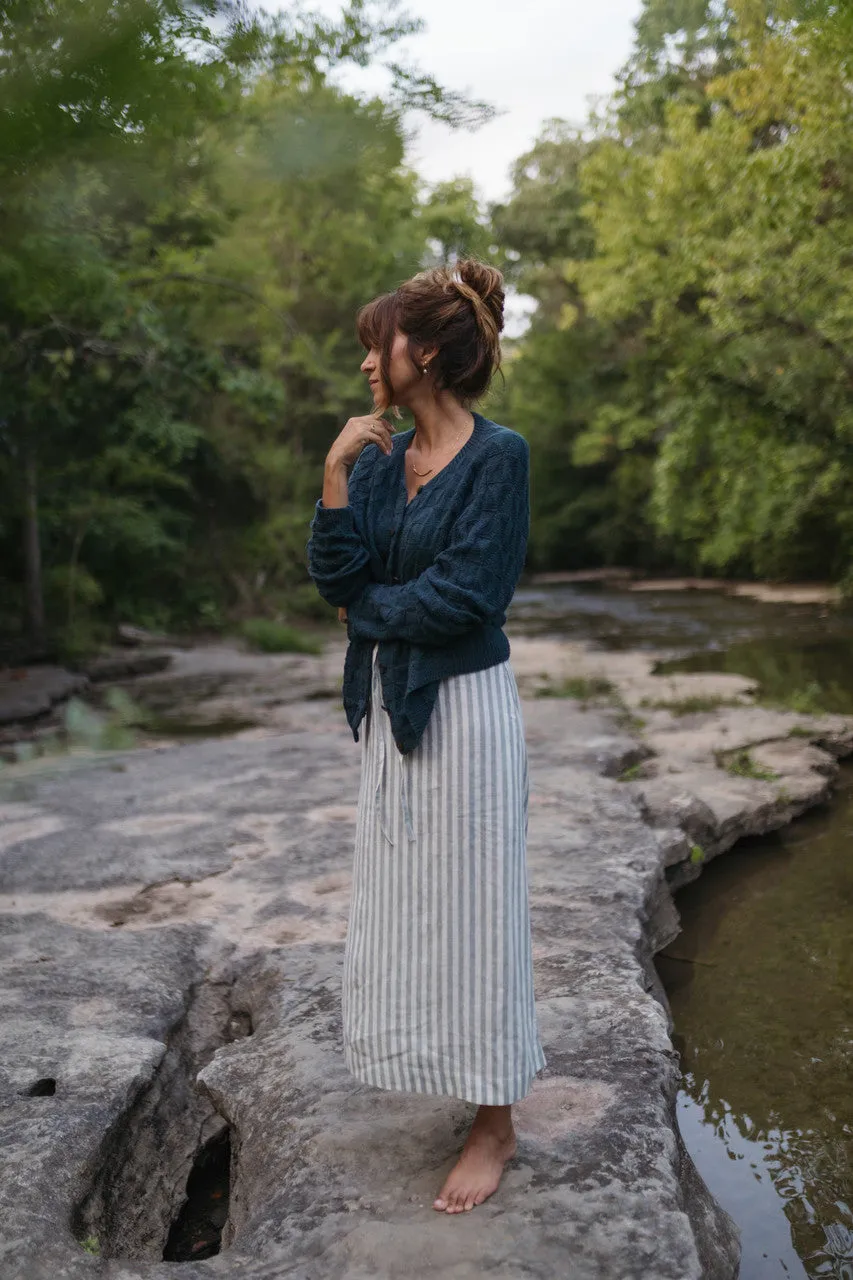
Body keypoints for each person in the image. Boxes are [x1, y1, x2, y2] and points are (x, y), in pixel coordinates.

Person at [305, 258, 546, 1215]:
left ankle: (495, 1122)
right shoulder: (372, 458)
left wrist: (365, 616)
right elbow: (336, 575)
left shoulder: (499, 457)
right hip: (390, 712)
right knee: (410, 905)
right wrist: (332, 472)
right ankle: (435, 1067)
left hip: (467, 710)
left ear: (431, 350)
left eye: (381, 342)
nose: (369, 361)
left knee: (479, 908)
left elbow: (469, 595)